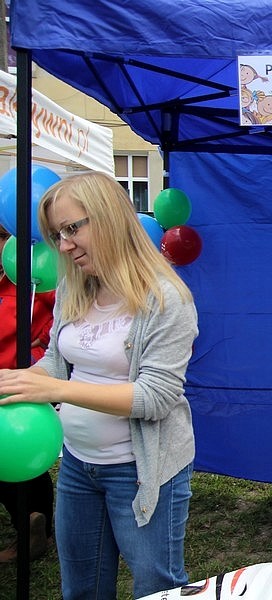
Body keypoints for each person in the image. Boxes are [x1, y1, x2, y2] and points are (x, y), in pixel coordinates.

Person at [0, 172, 199, 599]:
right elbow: (57, 363)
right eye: (58, 234)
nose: (64, 245)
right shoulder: (75, 285)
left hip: (142, 471)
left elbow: (155, 397)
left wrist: (57, 392)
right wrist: (17, 382)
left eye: (72, 229)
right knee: (82, 589)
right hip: (78, 464)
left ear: (109, 218)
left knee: (156, 588)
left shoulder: (167, 299)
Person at [0, 224, 56, 563]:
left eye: (1, 238)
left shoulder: (29, 275)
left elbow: (66, 315)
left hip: (23, 381)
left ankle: (34, 527)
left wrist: (41, 340)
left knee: (18, 450)